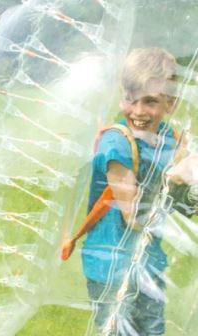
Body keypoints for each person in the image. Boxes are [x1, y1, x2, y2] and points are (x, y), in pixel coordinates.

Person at [76, 47, 197, 335]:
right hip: (111, 268)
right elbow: (134, 215)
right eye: (130, 100)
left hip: (148, 260)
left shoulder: (170, 138)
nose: (138, 111)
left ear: (172, 103)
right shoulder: (116, 145)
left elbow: (178, 207)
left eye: (150, 101)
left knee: (153, 330)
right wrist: (174, 177)